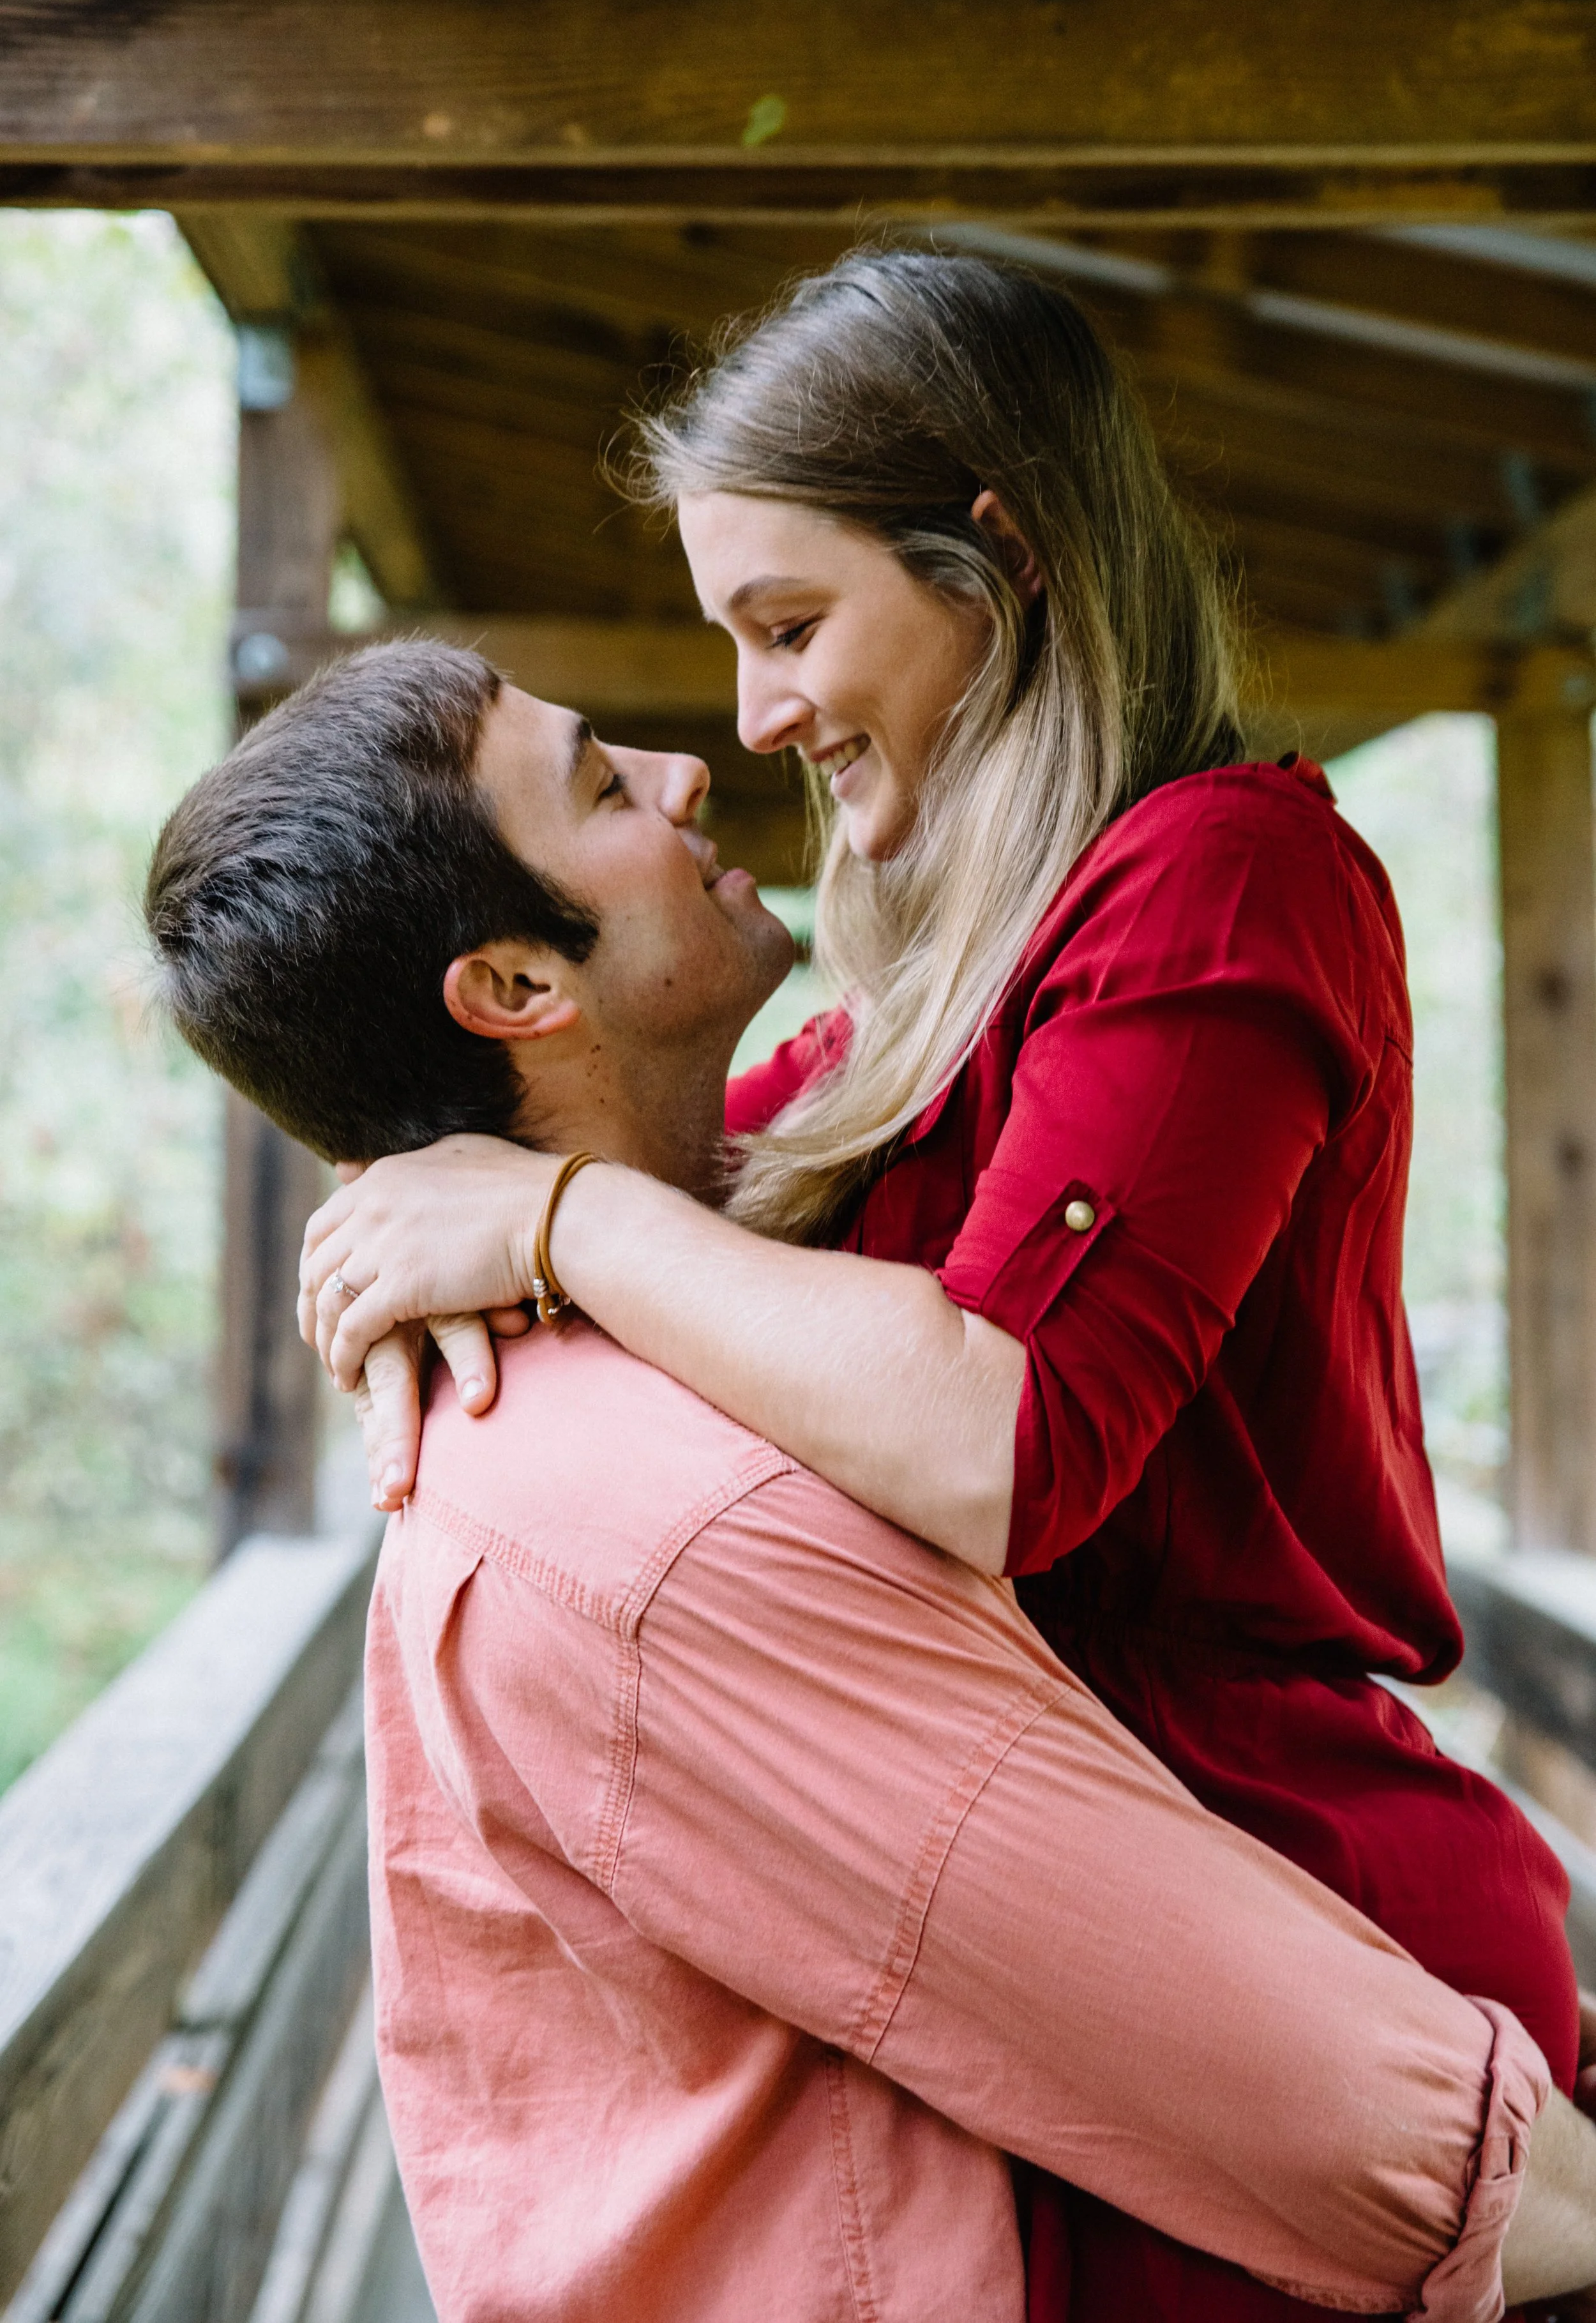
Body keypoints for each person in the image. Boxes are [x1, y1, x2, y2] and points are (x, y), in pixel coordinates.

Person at [296, 252, 1586, 2319]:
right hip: (1059, 1951)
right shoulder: (900, 1007)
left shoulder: (1216, 871)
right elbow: (647, 1162)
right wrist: (400, 1198)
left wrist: (549, 1225)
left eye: (789, 626)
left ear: (998, 556)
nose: (750, 718)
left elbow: (1005, 1435)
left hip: (1276, 1922)